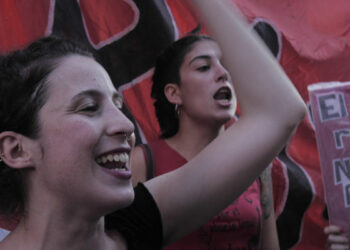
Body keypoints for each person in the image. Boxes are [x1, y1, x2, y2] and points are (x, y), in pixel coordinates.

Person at [0, 0, 306, 249]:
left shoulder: (138, 228)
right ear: (16, 150)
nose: (124, 125)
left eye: (118, 105)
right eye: (89, 108)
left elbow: (279, 111)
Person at [130, 33, 279, 249]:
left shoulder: (256, 163)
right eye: (203, 67)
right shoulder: (142, 162)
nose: (223, 74)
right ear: (174, 93)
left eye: (226, 65)